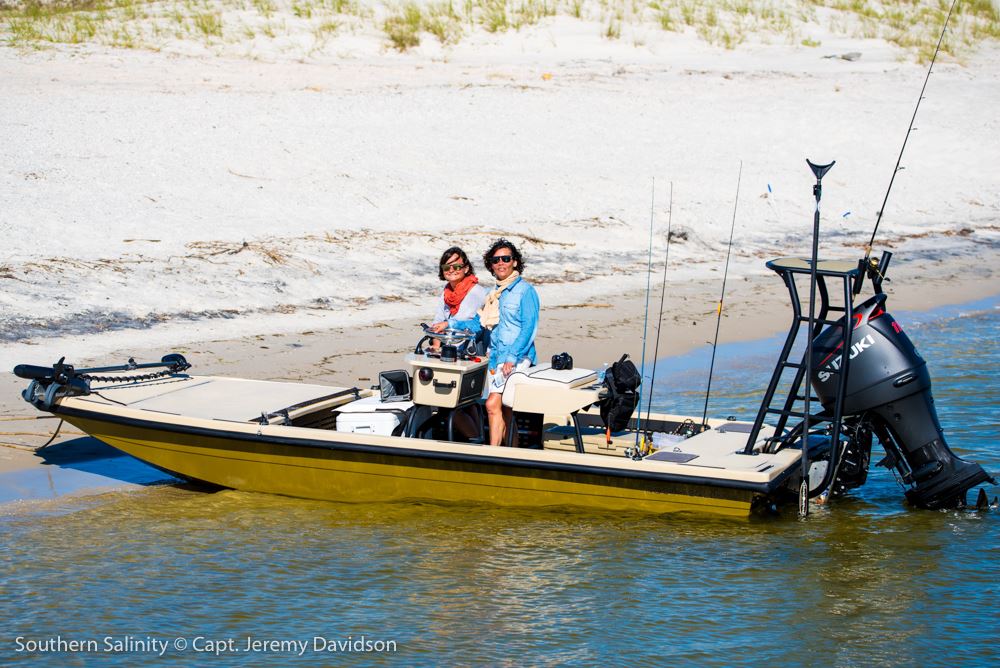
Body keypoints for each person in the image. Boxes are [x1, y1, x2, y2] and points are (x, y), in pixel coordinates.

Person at [479, 238, 539, 446]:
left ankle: (493, 454)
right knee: (505, 408)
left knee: (491, 404)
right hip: (496, 357)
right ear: (491, 265)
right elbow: (487, 326)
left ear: (515, 262)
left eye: (506, 258)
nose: (501, 263)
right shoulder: (495, 293)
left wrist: (512, 357)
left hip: (517, 357)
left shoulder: (525, 291)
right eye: (496, 260)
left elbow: (529, 327)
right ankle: (512, 452)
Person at [429, 246, 488, 336]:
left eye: (456, 267)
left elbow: (478, 325)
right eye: (446, 267)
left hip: (470, 345)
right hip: (447, 343)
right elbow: (438, 319)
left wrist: (448, 324)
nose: (451, 270)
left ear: (466, 269)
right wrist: (436, 345)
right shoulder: (447, 292)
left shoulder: (478, 293)